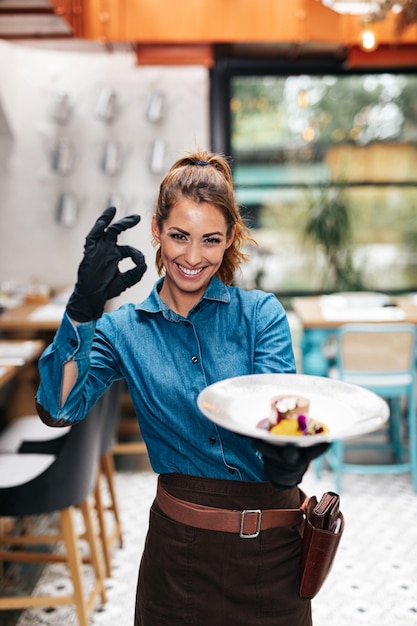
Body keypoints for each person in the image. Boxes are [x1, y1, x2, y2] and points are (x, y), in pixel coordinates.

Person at [36, 150, 328, 626]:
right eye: (179, 236)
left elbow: (281, 420)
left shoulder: (260, 315)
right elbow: (59, 407)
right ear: (156, 229)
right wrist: (84, 306)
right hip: (180, 558)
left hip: (273, 552)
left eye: (210, 240)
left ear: (230, 238)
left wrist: (287, 453)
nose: (193, 258)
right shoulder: (122, 331)